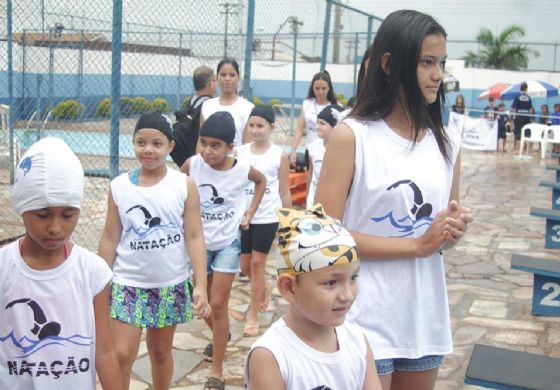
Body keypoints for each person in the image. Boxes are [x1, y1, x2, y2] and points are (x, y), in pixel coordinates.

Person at [314, 10, 472, 390]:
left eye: (442, 63)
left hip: (422, 316)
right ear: (389, 63)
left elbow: (439, 238)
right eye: (427, 62)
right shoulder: (352, 136)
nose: (438, 75)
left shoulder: (447, 143)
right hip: (361, 313)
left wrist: (452, 231)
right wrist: (416, 245)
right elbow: (322, 235)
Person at [98, 112, 211, 390]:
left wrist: (201, 283)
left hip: (168, 285)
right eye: (141, 142)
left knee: (161, 352)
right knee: (122, 353)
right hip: (127, 284)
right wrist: (99, 284)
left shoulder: (184, 185)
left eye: (157, 143)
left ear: (170, 146)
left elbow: (195, 237)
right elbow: (110, 237)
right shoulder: (119, 187)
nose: (148, 149)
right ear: (134, 143)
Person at [0, 137, 123, 389]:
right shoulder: (3, 268)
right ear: (22, 207)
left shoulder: (92, 272)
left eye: (68, 215)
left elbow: (105, 351)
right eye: (42, 215)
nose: (56, 228)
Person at [244, 204, 382, 390]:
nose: (347, 295)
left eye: (353, 278)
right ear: (289, 288)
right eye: (331, 283)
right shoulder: (271, 356)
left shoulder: (357, 341)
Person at [181, 111, 266, 390]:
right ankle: (222, 333)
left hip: (228, 244)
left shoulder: (242, 169)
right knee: (201, 304)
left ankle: (216, 370)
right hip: (199, 245)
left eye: (215, 145)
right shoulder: (192, 165)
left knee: (217, 304)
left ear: (231, 147)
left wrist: (250, 213)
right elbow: (172, 185)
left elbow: (261, 181)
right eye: (203, 143)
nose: (207, 151)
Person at [237, 105, 292, 337]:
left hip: (268, 215)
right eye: (251, 126)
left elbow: (285, 191)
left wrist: (288, 223)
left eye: (260, 126)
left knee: (258, 263)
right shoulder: (240, 152)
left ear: (271, 127)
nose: (255, 130)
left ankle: (253, 315)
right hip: (244, 214)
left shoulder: (279, 155)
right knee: (245, 266)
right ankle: (265, 286)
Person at [200, 58, 254, 148]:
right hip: (209, 161)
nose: (227, 79)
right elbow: (201, 141)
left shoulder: (248, 108)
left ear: (238, 77)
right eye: (223, 75)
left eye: (232, 75)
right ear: (216, 77)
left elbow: (248, 147)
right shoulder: (207, 106)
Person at [289, 71, 338, 166]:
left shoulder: (335, 107)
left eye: (323, 88)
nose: (320, 92)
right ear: (312, 88)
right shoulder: (307, 104)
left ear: (329, 89)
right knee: (310, 178)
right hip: (310, 150)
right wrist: (293, 150)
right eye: (317, 88)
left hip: (328, 150)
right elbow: (299, 129)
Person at [171, 66, 217, 167]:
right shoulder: (211, 105)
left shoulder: (189, 104)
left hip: (185, 160)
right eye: (215, 81)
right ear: (211, 83)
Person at [307, 103, 344, 208]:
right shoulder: (313, 147)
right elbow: (311, 174)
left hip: (332, 204)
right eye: (317, 122)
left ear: (335, 127)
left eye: (322, 123)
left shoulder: (343, 152)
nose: (317, 126)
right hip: (313, 203)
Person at [511, 81, 534, 153]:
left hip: (519, 117)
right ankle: (527, 150)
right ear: (526, 89)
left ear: (520, 88)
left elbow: (513, 109)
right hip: (527, 117)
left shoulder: (517, 97)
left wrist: (511, 118)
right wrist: (530, 118)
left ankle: (518, 149)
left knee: (518, 132)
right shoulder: (529, 97)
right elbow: (530, 110)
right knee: (527, 133)